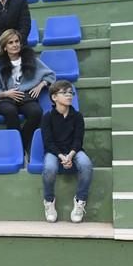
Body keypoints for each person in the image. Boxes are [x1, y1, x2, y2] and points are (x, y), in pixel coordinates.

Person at [0, 29, 55, 153]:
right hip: (6, 99)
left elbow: (50, 75)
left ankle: (20, 146)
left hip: (26, 97)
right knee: (10, 111)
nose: (15, 45)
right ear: (4, 47)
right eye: (10, 43)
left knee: (36, 112)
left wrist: (41, 85)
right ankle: (16, 148)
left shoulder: (31, 60)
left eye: (17, 41)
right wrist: (7, 93)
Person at [41, 80, 93, 223]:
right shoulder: (47, 117)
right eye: (64, 93)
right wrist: (61, 156)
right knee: (50, 168)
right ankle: (49, 201)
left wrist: (70, 155)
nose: (69, 96)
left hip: (73, 151)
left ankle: (80, 200)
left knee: (86, 165)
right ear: (54, 97)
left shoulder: (77, 117)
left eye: (71, 93)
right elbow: (48, 142)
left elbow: (78, 140)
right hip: (54, 152)